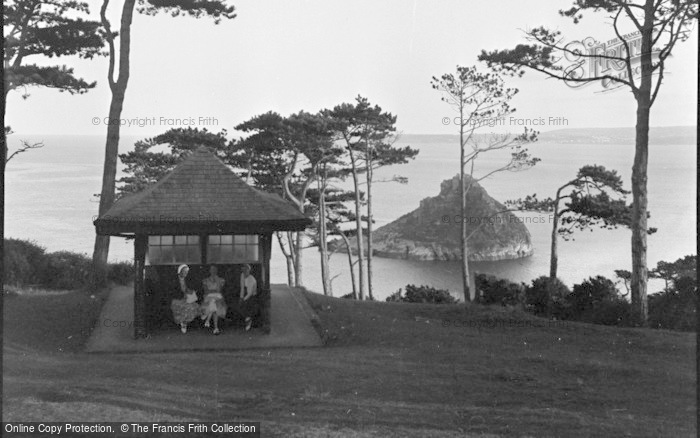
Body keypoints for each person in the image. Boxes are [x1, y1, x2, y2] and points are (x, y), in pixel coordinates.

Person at [170, 264, 199, 334]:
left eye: (187, 272)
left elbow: (192, 288)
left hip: (188, 297)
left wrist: (191, 291)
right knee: (182, 307)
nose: (186, 273)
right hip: (178, 298)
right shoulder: (175, 280)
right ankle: (183, 324)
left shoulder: (188, 279)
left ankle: (184, 323)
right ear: (180, 271)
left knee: (192, 307)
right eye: (184, 271)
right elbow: (173, 290)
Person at [200, 265, 227, 335]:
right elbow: (206, 291)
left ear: (217, 270)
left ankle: (209, 321)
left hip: (218, 297)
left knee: (214, 303)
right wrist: (213, 291)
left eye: (214, 269)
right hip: (209, 297)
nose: (213, 271)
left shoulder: (221, 280)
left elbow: (219, 290)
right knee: (213, 302)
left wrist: (212, 290)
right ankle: (215, 327)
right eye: (211, 269)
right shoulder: (205, 280)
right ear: (209, 271)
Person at [239, 264, 258, 331]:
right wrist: (241, 297)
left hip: (251, 296)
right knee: (241, 305)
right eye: (243, 270)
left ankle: (248, 322)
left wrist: (243, 300)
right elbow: (242, 287)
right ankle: (246, 320)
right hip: (244, 294)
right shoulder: (242, 275)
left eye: (246, 270)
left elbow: (249, 293)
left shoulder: (251, 279)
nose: (244, 272)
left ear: (249, 271)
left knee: (247, 306)